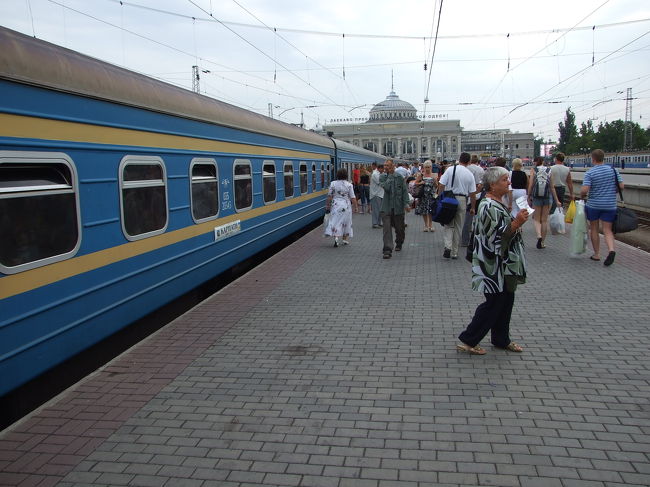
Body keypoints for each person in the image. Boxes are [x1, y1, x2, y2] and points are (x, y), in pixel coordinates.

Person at [457, 167, 529, 355]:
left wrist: (516, 223)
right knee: (494, 302)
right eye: (505, 180)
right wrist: (517, 223)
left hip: (505, 262)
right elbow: (497, 235)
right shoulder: (488, 205)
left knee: (506, 300)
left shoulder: (498, 202)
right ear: (493, 184)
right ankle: (469, 339)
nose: (509, 182)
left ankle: (501, 338)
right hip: (495, 263)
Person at [580, 148, 624, 266]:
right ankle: (611, 250)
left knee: (594, 228)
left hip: (594, 205)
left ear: (593, 159)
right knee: (607, 230)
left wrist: (582, 194)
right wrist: (610, 192)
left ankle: (597, 254)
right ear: (603, 158)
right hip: (610, 205)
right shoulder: (613, 170)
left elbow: (585, 190)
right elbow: (621, 186)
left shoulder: (590, 172)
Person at [437, 152, 477, 259]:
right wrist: (473, 207)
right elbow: (472, 193)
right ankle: (454, 252)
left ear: (459, 159)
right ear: (469, 162)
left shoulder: (450, 169)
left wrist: (440, 198)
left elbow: (441, 184)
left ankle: (448, 246)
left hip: (449, 199)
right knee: (459, 226)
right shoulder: (469, 174)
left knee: (448, 224)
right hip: (462, 200)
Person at [379, 159, 411, 259]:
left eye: (388, 165)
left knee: (400, 228)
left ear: (393, 166)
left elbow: (404, 191)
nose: (385, 167)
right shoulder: (383, 177)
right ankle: (387, 249)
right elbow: (387, 188)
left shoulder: (399, 177)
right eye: (385, 165)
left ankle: (399, 242)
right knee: (387, 229)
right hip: (386, 207)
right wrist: (390, 176)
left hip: (398, 207)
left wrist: (406, 203)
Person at [527, 157, 561, 249]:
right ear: (543, 162)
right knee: (544, 220)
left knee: (537, 219)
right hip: (546, 197)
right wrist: (557, 200)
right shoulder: (549, 170)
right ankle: (542, 243)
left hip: (536, 197)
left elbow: (531, 184)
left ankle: (538, 235)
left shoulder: (533, 170)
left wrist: (528, 196)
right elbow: (552, 187)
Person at [324, 168, 357, 247]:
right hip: (346, 205)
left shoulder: (333, 183)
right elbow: (353, 197)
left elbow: (329, 196)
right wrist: (356, 207)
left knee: (336, 221)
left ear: (337, 175)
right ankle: (345, 239)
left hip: (335, 205)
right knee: (346, 222)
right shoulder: (349, 185)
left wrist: (327, 205)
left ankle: (336, 238)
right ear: (346, 175)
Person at [461, 154, 485, 245]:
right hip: (478, 193)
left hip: (467, 193)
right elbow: (482, 183)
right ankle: (477, 238)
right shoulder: (481, 169)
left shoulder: (467, 169)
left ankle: (465, 239)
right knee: (478, 217)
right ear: (478, 161)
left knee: (467, 218)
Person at [415, 160, 438, 232]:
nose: (427, 169)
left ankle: (431, 225)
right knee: (424, 211)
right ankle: (426, 225)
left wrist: (435, 182)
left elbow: (437, 186)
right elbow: (415, 183)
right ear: (424, 167)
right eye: (426, 167)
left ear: (431, 167)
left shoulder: (434, 175)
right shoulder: (421, 175)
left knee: (431, 210)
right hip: (423, 195)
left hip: (431, 195)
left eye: (429, 167)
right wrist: (421, 183)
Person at [369, 162, 384, 228]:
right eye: (382, 169)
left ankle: (379, 222)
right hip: (375, 194)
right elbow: (380, 182)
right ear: (379, 168)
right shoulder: (375, 174)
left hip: (381, 194)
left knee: (380, 210)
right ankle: (375, 223)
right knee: (376, 210)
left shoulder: (382, 173)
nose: (383, 170)